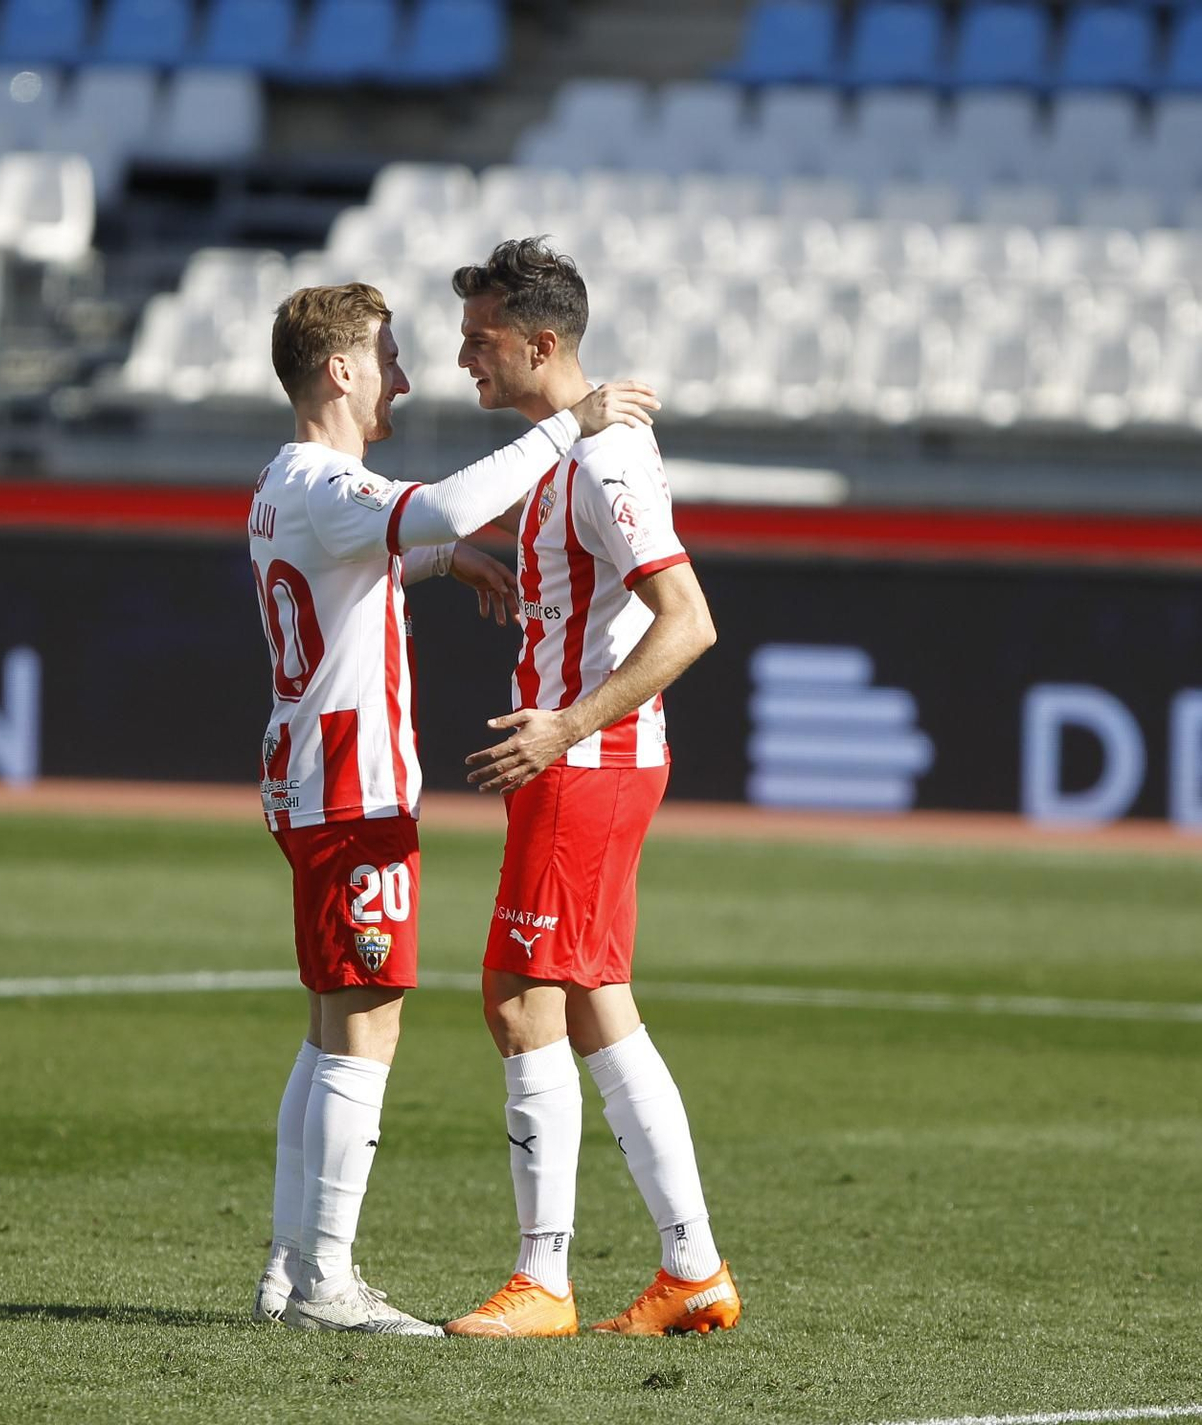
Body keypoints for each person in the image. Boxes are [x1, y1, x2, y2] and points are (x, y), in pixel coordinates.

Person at [248, 281, 658, 1335]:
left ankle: (290, 1266)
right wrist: (571, 422)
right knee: (363, 1030)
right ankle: (327, 1282)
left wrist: (445, 562)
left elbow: (383, 547)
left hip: (309, 776)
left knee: (327, 1023)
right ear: (338, 372)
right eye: (386, 357)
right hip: (353, 786)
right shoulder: (333, 483)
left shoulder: (287, 483)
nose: (406, 376)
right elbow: (427, 510)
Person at [441, 238, 737, 1339]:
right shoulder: (565, 452)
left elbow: (690, 622)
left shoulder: (602, 459)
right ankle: (692, 1271)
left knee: (520, 1002)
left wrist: (564, 722)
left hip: (585, 762)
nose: (465, 358)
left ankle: (542, 1281)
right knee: (596, 1008)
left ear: (541, 342)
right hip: (586, 758)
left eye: (480, 341)